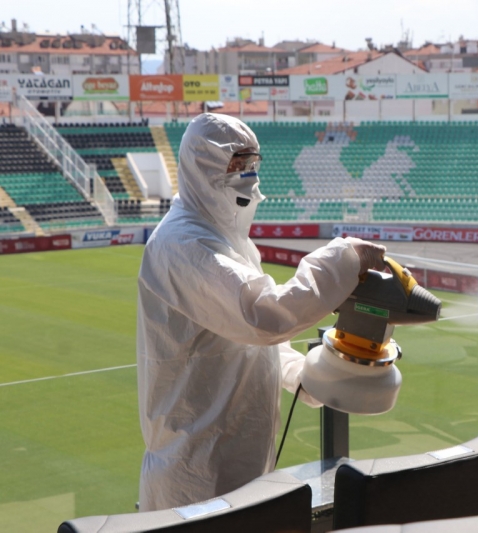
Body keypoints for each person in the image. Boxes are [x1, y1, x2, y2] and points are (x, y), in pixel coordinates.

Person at [136, 113, 385, 512]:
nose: (247, 174)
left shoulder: (229, 241)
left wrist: (301, 375)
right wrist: (341, 258)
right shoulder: (184, 244)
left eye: (252, 162)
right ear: (202, 166)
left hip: (238, 457)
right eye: (235, 163)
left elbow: (247, 340)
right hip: (196, 470)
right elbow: (263, 315)